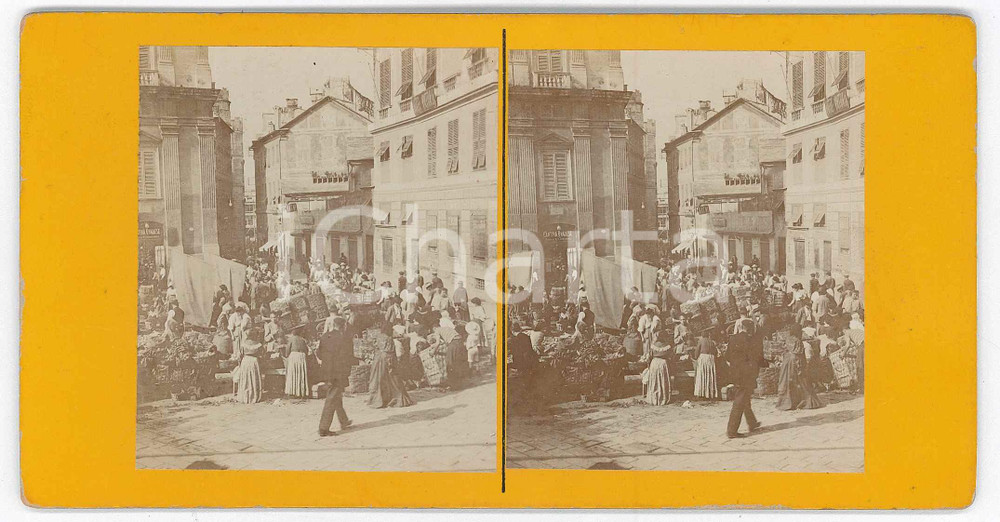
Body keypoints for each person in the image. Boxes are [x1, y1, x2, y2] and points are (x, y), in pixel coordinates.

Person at [317, 317, 355, 436]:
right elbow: (348, 356)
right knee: (333, 396)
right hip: (338, 372)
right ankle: (323, 428)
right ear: (343, 326)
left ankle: (344, 420)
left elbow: (319, 353)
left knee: (336, 395)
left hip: (327, 371)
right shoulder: (344, 338)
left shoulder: (324, 337)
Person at [776, 324, 825, 411]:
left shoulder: (788, 339)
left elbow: (784, 350)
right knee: (802, 381)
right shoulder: (798, 341)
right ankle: (805, 401)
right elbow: (799, 354)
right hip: (795, 362)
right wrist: (803, 366)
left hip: (787, 362)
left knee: (787, 382)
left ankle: (787, 402)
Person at [726, 319, 761, 438]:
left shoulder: (732, 338)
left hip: (735, 374)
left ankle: (752, 422)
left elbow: (727, 356)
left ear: (741, 327)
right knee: (740, 400)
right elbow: (755, 358)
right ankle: (731, 431)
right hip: (746, 375)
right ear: (750, 329)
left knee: (745, 398)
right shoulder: (751, 341)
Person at [367, 324, 414, 408]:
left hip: (378, 359)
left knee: (379, 379)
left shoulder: (379, 336)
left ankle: (379, 399)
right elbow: (390, 351)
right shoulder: (389, 338)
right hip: (387, 359)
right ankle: (395, 398)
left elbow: (375, 347)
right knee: (393, 379)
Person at [282, 324, 310, 398]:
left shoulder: (291, 339)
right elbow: (306, 350)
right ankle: (300, 391)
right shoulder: (303, 339)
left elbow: (287, 350)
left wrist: (286, 355)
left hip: (294, 356)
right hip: (302, 356)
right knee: (301, 373)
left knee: (293, 373)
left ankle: (293, 391)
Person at [233, 339, 263, 404]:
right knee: (253, 378)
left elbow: (239, 355)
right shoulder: (258, 344)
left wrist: (239, 363)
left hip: (245, 361)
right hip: (254, 361)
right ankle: (253, 395)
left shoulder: (243, 343)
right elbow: (262, 355)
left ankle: (245, 396)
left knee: (245, 379)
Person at [693, 329, 719, 400]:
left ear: (702, 335)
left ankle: (701, 393)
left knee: (702, 374)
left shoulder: (701, 341)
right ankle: (709, 392)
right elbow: (716, 352)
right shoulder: (712, 342)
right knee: (709, 375)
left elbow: (697, 351)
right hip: (711, 358)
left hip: (703, 357)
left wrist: (695, 358)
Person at [644, 340, 672, 405]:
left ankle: (654, 398)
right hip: (663, 363)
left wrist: (648, 365)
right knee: (662, 380)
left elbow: (649, 356)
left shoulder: (654, 345)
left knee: (654, 381)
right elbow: (670, 356)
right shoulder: (667, 346)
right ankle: (662, 397)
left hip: (655, 363)